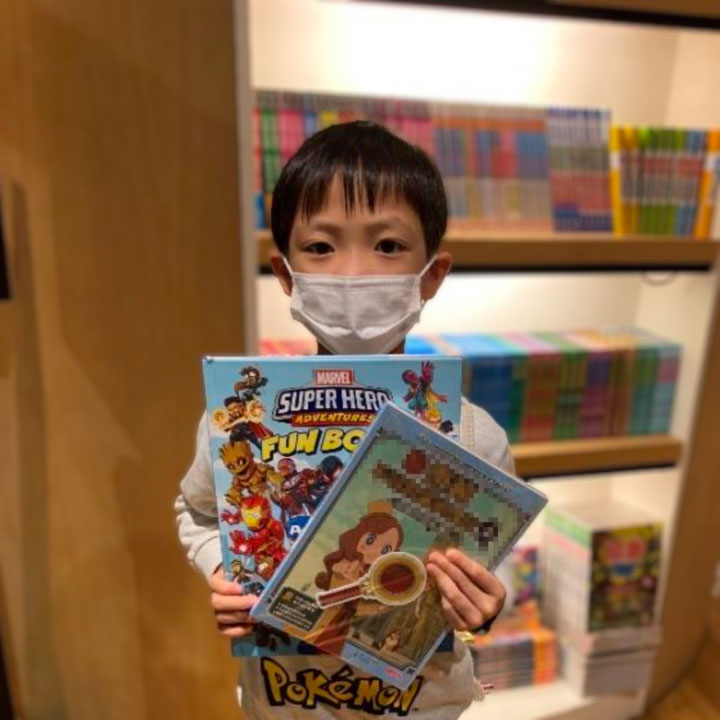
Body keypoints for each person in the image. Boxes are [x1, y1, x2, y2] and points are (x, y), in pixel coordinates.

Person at [175, 120, 514, 719]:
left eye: (387, 246)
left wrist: (483, 605)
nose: (352, 272)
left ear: (430, 275)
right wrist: (224, 567)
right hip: (281, 702)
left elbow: (484, 565)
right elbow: (197, 512)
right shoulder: (236, 422)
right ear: (286, 276)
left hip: (423, 702)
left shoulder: (475, 435)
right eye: (321, 247)